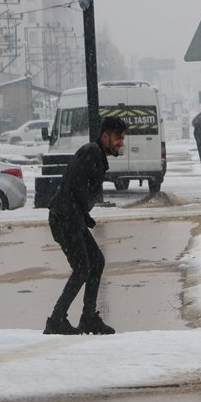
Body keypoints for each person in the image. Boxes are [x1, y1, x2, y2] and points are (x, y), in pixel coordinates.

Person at [43, 116, 127, 335]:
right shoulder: (92, 153)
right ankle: (56, 320)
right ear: (105, 136)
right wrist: (81, 213)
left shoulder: (96, 155)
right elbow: (78, 186)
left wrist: (84, 216)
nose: (122, 142)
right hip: (65, 219)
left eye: (123, 138)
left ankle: (88, 317)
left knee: (96, 261)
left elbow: (77, 187)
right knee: (82, 268)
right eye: (118, 137)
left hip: (71, 217)